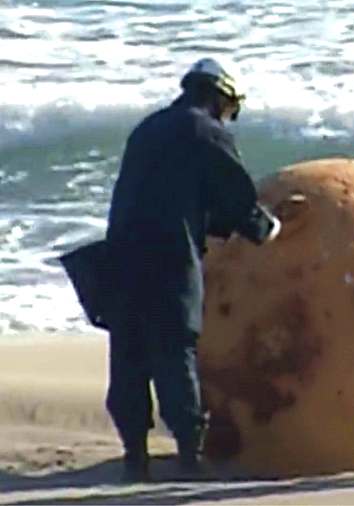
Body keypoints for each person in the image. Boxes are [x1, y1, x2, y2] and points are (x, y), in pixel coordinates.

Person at [102, 57, 280, 481]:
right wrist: (267, 228)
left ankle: (135, 457)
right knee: (174, 350)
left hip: (120, 256)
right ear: (220, 98)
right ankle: (188, 456)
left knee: (129, 353)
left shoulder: (148, 128)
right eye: (232, 109)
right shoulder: (207, 132)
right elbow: (236, 200)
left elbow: (184, 195)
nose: (230, 118)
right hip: (168, 257)